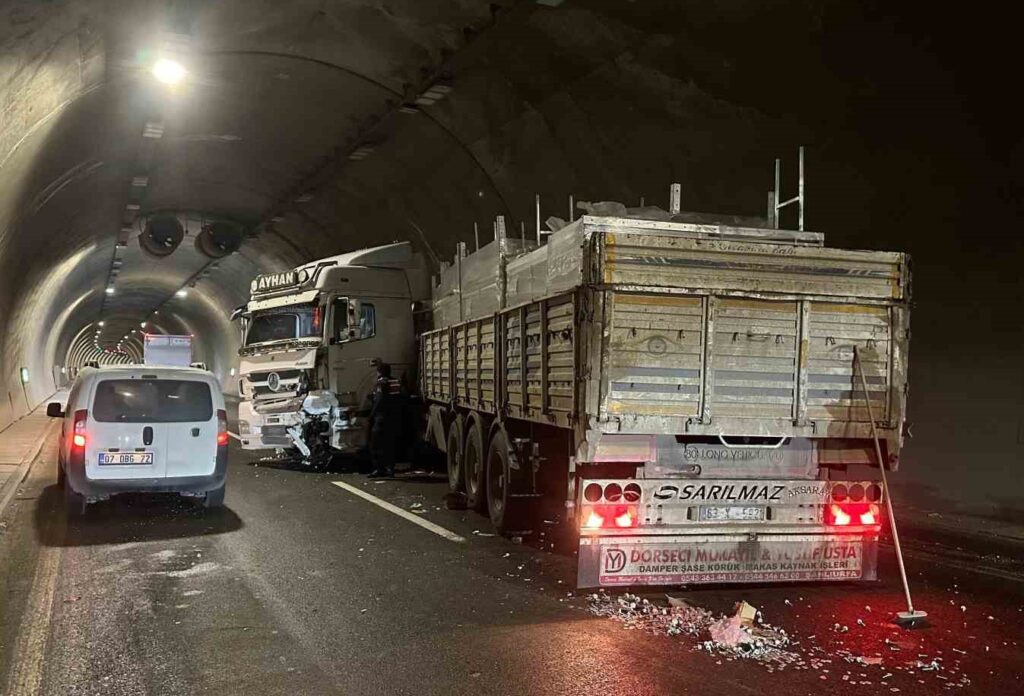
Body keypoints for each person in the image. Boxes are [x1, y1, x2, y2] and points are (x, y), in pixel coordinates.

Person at [367, 359, 403, 478]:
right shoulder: (396, 382)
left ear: (380, 372)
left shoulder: (382, 383)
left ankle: (379, 469)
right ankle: (390, 469)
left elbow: (379, 401)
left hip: (381, 418)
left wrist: (371, 416)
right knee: (390, 444)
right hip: (394, 418)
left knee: (375, 444)